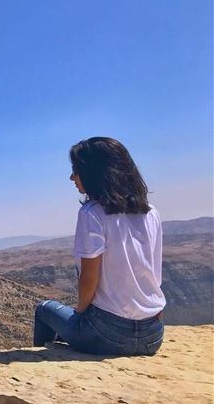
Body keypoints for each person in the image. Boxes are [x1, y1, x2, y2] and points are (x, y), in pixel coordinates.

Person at [33, 137, 165, 356]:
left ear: (93, 173)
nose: (72, 177)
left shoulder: (92, 213)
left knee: (44, 309)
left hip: (106, 335)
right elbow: (154, 273)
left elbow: (89, 280)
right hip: (153, 335)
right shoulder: (151, 212)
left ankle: (44, 363)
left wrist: (80, 314)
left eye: (76, 170)